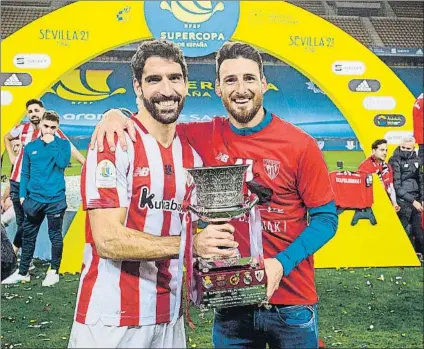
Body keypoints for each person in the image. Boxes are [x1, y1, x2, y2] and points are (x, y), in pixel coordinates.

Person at [92, 41, 338, 349]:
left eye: (249, 78)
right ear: (217, 88)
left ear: (263, 82)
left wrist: (280, 264)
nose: (241, 88)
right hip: (230, 303)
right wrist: (116, 113)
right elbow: (153, 122)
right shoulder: (200, 136)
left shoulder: (300, 145)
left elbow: (326, 219)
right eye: (230, 80)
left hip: (290, 303)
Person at [67, 40, 237, 349]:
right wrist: (192, 245)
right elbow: (107, 239)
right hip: (112, 320)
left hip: (169, 318)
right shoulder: (114, 143)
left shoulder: (192, 156)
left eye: (174, 78)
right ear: (137, 86)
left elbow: (198, 230)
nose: (167, 89)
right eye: (154, 79)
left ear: (186, 85)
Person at [3, 99, 85, 255]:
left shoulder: (50, 131)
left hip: (33, 185)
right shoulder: (22, 129)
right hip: (16, 181)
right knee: (21, 221)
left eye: (36, 110)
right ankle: (26, 261)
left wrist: (84, 162)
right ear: (27, 114)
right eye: (30, 111)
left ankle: (14, 254)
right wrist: (12, 156)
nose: (33, 114)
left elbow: (69, 146)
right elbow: (7, 137)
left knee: (27, 222)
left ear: (43, 111)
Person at [2, 111, 71, 287]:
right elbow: (25, 173)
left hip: (55, 200)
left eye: (53, 127)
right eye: (46, 126)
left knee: (55, 235)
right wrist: (23, 196)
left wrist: (53, 143)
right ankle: (23, 272)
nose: (48, 130)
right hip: (33, 200)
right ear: (41, 125)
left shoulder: (62, 144)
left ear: (57, 128)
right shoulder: (31, 147)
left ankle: (54, 270)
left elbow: (62, 163)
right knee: (28, 235)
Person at [388, 136, 424, 261]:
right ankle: (399, 254)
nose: (405, 150)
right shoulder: (394, 160)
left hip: (416, 200)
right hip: (402, 200)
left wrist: (422, 199)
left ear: (413, 148)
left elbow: (421, 181)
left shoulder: (418, 160)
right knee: (403, 228)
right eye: (403, 147)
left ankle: (419, 253)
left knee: (418, 231)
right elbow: (396, 186)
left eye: (408, 148)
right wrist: (413, 201)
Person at [358, 139, 400, 211]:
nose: (385, 153)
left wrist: (394, 203)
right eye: (382, 150)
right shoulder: (365, 166)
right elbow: (361, 189)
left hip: (386, 203)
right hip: (372, 205)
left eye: (386, 150)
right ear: (374, 151)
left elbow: (391, 187)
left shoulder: (387, 167)